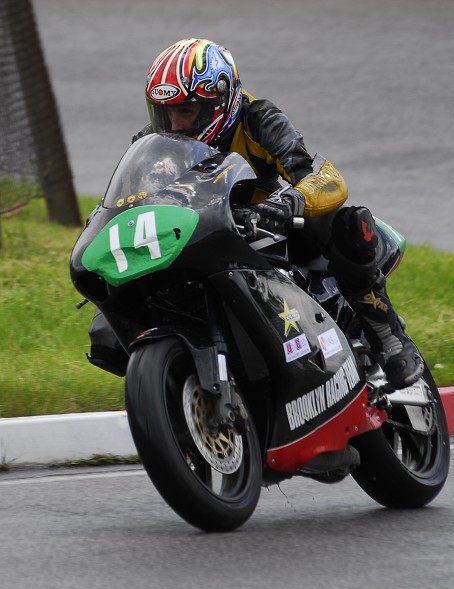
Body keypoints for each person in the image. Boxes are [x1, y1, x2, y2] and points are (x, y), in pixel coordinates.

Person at [138, 38, 423, 389]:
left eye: (186, 112)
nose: (176, 124)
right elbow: (133, 198)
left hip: (270, 228)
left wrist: (291, 201)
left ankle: (386, 334)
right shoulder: (154, 142)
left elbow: (319, 175)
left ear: (220, 102)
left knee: (345, 222)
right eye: (166, 113)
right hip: (203, 234)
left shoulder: (258, 120)